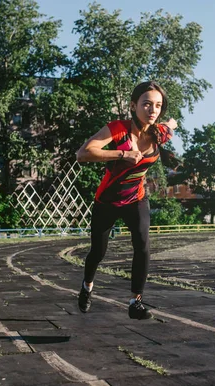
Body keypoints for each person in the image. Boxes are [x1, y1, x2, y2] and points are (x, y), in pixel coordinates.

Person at [75, 81, 177, 320]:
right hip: (107, 201)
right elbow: (83, 154)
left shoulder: (158, 133)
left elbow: (170, 125)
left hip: (136, 199)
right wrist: (123, 153)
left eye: (158, 106)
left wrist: (171, 124)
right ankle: (87, 287)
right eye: (147, 104)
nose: (153, 110)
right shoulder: (117, 129)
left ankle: (135, 302)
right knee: (97, 252)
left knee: (142, 245)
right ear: (133, 105)